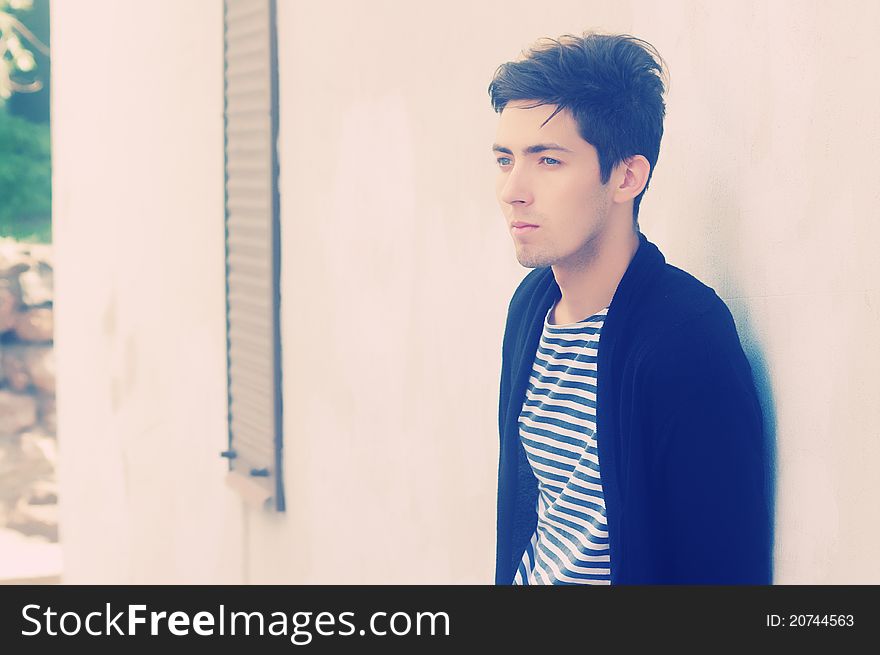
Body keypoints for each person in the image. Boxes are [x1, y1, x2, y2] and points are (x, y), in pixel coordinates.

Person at [489, 32, 773, 584]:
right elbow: (535, 520)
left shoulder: (683, 338)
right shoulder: (532, 306)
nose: (513, 189)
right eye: (505, 159)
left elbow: (723, 569)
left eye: (548, 161)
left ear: (626, 176)